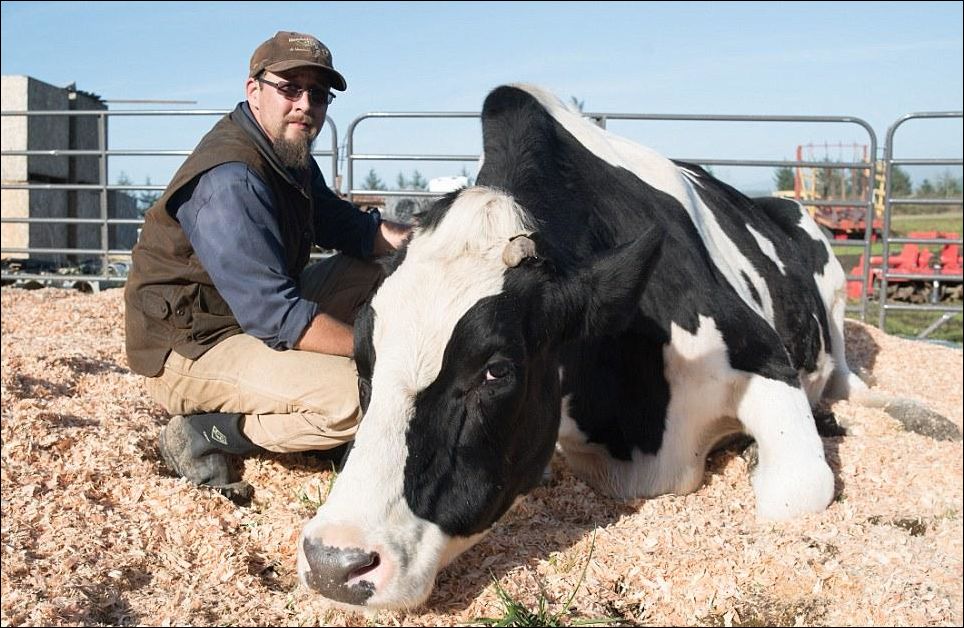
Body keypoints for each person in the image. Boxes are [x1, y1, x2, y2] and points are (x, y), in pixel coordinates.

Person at [124, 31, 410, 503]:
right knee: (358, 398)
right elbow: (276, 316)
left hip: (245, 315)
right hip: (194, 344)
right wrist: (380, 349)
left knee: (387, 268)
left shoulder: (286, 155)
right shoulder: (231, 180)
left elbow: (347, 227)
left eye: (318, 94)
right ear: (253, 90)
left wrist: (423, 241)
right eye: (290, 88)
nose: (305, 105)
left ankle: (298, 399)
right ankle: (205, 432)